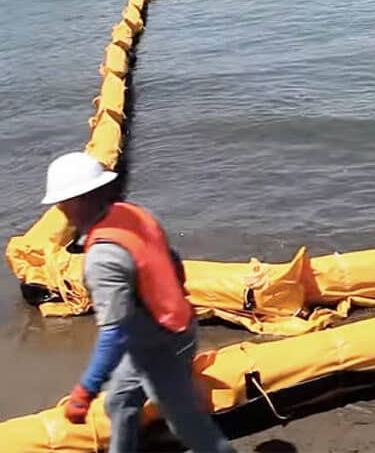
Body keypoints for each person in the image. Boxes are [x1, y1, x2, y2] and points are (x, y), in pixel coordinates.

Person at [44, 152, 235, 453]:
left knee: (188, 425)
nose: (59, 208)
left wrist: (85, 390)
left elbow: (113, 335)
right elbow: (174, 264)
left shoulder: (103, 257)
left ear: (77, 201)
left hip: (162, 344)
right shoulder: (132, 214)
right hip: (172, 324)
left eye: (61, 201)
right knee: (120, 402)